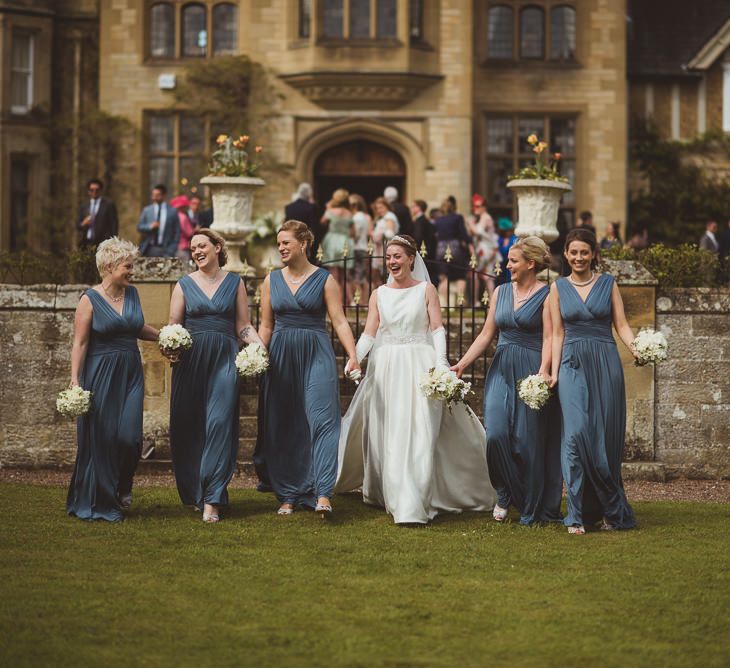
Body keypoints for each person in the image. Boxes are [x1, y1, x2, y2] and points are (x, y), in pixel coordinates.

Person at [337, 235, 495, 524]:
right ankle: (393, 491)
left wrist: (441, 362)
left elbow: (437, 329)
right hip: (386, 368)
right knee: (391, 429)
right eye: (388, 257)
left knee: (420, 428)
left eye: (397, 256)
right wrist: (355, 357)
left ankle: (413, 499)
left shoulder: (426, 289)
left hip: (419, 365)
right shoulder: (378, 294)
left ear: (411, 258)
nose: (392, 262)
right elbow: (370, 333)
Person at [452, 237, 562, 525]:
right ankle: (503, 492)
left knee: (527, 442)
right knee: (497, 435)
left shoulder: (548, 294)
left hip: (531, 368)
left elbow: (551, 336)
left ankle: (528, 500)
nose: (507, 265)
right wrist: (463, 363)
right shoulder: (500, 292)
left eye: (513, 261)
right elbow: (487, 334)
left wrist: (544, 370)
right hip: (501, 367)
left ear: (531, 263)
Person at [257, 220, 359, 516]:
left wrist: (352, 354)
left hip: (316, 351)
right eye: (279, 244)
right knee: (286, 424)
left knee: (323, 419)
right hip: (280, 354)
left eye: (286, 243)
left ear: (303, 244)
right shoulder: (270, 281)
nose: (281, 248)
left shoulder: (325, 279)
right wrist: (256, 355)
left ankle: (322, 491)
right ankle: (289, 492)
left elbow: (339, 321)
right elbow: (265, 325)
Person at [167, 229, 263, 523]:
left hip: (224, 360)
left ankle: (213, 498)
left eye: (202, 246)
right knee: (190, 427)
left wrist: (260, 348)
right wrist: (170, 347)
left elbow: (243, 326)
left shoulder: (235, 283)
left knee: (220, 424)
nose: (196, 251)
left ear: (217, 247)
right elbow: (174, 326)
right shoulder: (183, 285)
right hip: (191, 362)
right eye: (193, 247)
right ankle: (197, 489)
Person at [549, 228, 638, 534]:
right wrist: (553, 371)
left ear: (594, 255)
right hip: (572, 363)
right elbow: (556, 333)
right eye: (573, 252)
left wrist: (637, 348)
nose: (578, 257)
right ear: (565, 254)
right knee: (574, 437)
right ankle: (575, 515)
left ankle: (610, 512)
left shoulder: (608, 284)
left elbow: (622, 325)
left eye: (584, 252)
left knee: (605, 442)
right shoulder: (558, 287)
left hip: (605, 363)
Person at [67, 237, 160, 521]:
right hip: (100, 373)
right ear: (109, 266)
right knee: (103, 437)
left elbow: (136, 326)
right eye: (127, 266)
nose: (132, 271)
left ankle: (123, 484)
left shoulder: (132, 294)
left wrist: (164, 336)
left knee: (130, 437)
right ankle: (104, 500)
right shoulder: (89, 299)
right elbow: (80, 343)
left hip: (131, 370)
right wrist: (74, 380)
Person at [434, 198, 475, 302]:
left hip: (440, 249)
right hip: (455, 248)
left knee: (444, 277)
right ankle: (460, 301)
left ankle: (446, 304)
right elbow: (463, 234)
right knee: (460, 276)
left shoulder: (438, 220)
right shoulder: (457, 217)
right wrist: (470, 243)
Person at [320, 188, 354, 288]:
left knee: (333, 271)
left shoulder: (330, 211)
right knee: (343, 274)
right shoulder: (349, 213)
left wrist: (328, 208)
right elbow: (353, 233)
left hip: (332, 240)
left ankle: (335, 297)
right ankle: (344, 299)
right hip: (344, 241)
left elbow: (322, 222)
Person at [137, 184, 181, 257]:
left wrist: (172, 249)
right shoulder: (147, 210)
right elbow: (139, 227)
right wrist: (150, 226)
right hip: (149, 248)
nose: (154, 197)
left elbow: (177, 232)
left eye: (157, 195)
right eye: (153, 195)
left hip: (166, 250)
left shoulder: (172, 211)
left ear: (163, 196)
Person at [469, 194, 498, 300]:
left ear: (484, 207)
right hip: (482, 250)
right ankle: (478, 301)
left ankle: (490, 302)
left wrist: (470, 224)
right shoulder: (481, 217)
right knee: (479, 275)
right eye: (474, 206)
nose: (475, 208)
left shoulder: (486, 217)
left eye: (478, 206)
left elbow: (478, 232)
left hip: (488, 250)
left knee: (487, 277)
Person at [76, 178, 119, 247]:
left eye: (97, 190)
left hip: (103, 243)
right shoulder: (84, 206)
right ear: (88, 191)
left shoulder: (108, 205)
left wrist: (113, 242)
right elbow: (78, 225)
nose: (94, 192)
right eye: (92, 190)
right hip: (86, 242)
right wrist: (83, 223)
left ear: (101, 190)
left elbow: (114, 225)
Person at [285, 182, 321, 254]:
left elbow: (287, 225)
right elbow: (314, 227)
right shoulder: (312, 207)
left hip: (292, 239)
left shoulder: (289, 207)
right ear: (310, 194)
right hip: (306, 241)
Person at [349, 193, 373, 304]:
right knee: (362, 277)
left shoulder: (356, 217)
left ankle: (358, 301)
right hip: (363, 247)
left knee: (356, 276)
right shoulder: (364, 216)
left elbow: (356, 234)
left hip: (358, 248)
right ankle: (364, 301)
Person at [371, 197, 399, 283]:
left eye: (381, 207)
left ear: (386, 206)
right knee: (377, 275)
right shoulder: (382, 218)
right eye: (377, 208)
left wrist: (375, 235)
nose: (379, 210)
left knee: (386, 275)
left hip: (385, 247)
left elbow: (390, 233)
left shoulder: (389, 216)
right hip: (379, 248)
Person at [411, 199, 438, 286]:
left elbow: (418, 237)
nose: (411, 208)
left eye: (413, 206)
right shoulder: (422, 220)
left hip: (423, 252)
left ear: (419, 208)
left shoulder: (420, 221)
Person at [171, 195, 195, 263]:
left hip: (174, 247)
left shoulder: (173, 216)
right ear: (182, 207)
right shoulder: (183, 217)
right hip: (183, 247)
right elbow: (189, 233)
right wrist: (195, 230)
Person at [496, 217, 518, 285]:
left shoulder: (514, 239)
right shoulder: (500, 239)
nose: (507, 232)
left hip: (510, 266)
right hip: (500, 266)